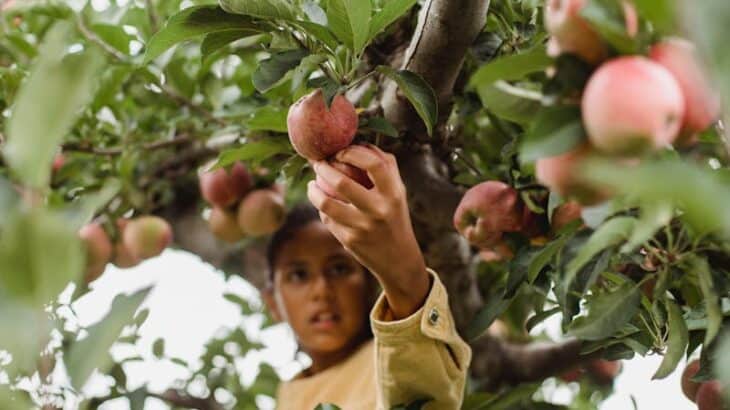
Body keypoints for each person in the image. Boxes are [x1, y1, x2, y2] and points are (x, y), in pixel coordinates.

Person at [263, 144, 471, 409]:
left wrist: (406, 275)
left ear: (368, 282)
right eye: (299, 275)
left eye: (339, 269)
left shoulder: (391, 359)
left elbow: (425, 389)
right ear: (272, 302)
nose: (322, 291)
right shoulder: (288, 395)